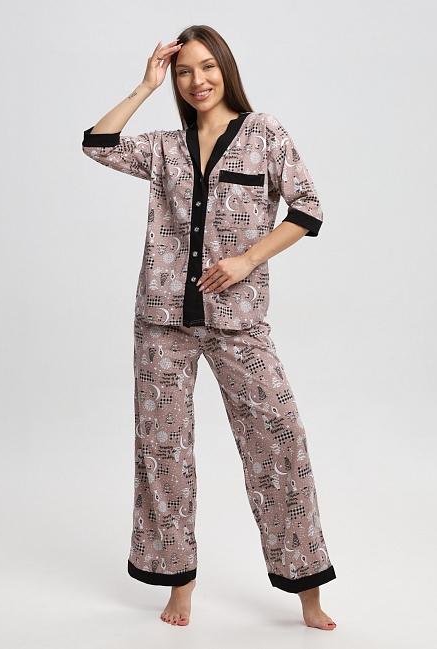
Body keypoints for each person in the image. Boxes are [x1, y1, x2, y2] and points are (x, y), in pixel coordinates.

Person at [82, 25, 337, 630]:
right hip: (162, 320)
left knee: (279, 441)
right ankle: (179, 583)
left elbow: (306, 209)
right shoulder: (164, 147)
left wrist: (247, 259)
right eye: (184, 71)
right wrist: (145, 84)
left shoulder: (265, 133)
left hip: (239, 321)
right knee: (163, 450)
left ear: (226, 68)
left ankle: (307, 590)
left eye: (207, 66)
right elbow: (97, 143)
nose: (197, 80)